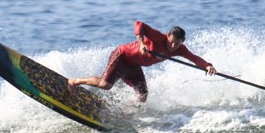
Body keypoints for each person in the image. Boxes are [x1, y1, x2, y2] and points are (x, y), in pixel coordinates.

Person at [67, 21, 216, 102]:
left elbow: (194, 58)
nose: (172, 46)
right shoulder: (158, 37)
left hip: (134, 66)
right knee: (105, 85)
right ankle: (75, 81)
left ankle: (125, 115)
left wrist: (207, 65)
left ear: (182, 41)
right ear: (168, 36)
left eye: (177, 44)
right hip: (122, 56)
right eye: (171, 42)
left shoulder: (180, 49)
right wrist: (141, 43)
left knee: (142, 96)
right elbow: (139, 24)